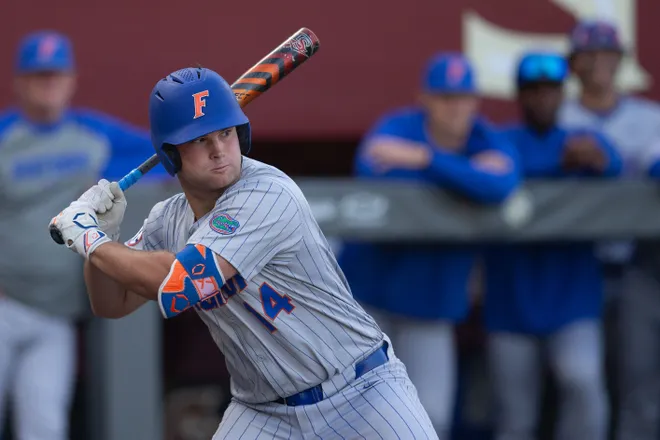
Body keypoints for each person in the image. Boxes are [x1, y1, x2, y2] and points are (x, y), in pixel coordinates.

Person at [47, 66, 438, 439]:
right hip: (264, 412)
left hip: (360, 390)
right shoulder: (167, 219)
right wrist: (106, 238)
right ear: (170, 155)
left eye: (226, 133)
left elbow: (183, 282)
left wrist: (90, 241)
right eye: (201, 139)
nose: (219, 150)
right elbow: (111, 302)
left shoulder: (267, 193)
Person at [338, 52, 521, 438]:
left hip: (432, 306)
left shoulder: (483, 136)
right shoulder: (398, 125)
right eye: (445, 98)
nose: (456, 108)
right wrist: (463, 176)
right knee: (357, 417)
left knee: (431, 418)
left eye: (463, 98)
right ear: (426, 99)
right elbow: (369, 168)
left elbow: (501, 186)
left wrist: (424, 159)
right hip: (371, 301)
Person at [0, 30, 166, 440]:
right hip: (3, 304)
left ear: (71, 80)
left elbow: (164, 158)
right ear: (20, 82)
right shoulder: (5, 136)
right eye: (38, 76)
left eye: (56, 75)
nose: (48, 84)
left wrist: (115, 183)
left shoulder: (94, 136)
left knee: (45, 426)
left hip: (56, 314)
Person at [483, 51, 622, 440]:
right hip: (511, 301)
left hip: (572, 299)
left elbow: (613, 165)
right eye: (533, 90)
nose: (542, 98)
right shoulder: (501, 140)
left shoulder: (583, 140)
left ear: (563, 94)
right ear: (520, 95)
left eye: (551, 90)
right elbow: (491, 169)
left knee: (582, 384)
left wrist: (598, 160)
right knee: (516, 418)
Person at [558, 20, 660, 440]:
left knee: (639, 382)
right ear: (575, 63)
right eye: (590, 54)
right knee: (579, 382)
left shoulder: (648, 117)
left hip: (637, 264)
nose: (599, 61)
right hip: (572, 264)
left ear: (620, 61)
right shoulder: (559, 116)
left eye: (607, 53)